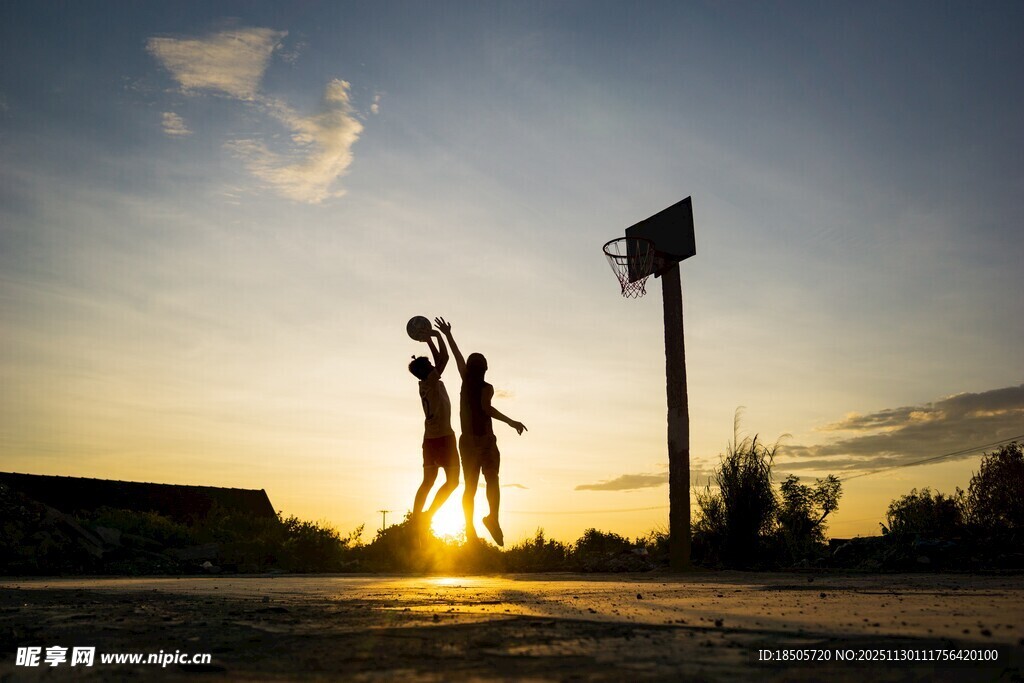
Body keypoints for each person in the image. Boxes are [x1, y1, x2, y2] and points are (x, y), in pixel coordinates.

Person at [435, 317, 526, 546]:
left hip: (467, 441)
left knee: (471, 487)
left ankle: (469, 528)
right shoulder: (486, 387)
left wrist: (448, 334)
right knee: (492, 479)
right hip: (484, 441)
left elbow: (457, 357)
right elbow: (486, 408)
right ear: (485, 369)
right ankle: (492, 518)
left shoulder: (466, 381)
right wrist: (510, 421)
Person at [407, 326, 460, 535]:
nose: (433, 364)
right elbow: (444, 358)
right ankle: (427, 515)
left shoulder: (425, 383)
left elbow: (438, 360)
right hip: (444, 438)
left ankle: (416, 519)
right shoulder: (431, 380)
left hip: (430, 439)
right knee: (453, 482)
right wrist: (437, 335)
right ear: (427, 370)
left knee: (428, 482)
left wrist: (427, 340)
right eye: (429, 364)